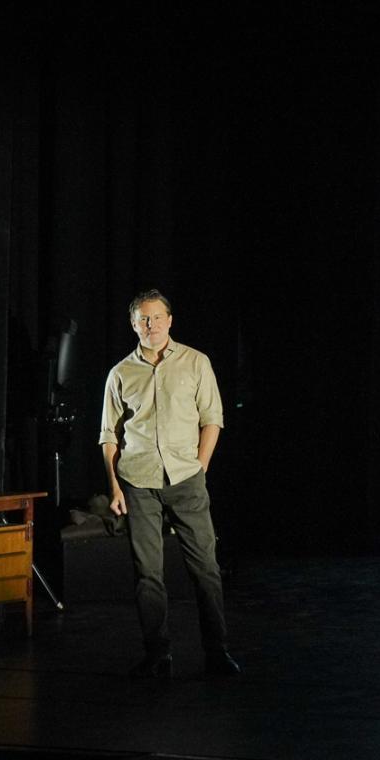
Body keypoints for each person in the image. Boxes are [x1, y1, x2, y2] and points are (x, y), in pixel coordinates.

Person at [99, 289, 238, 677]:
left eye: (158, 317)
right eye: (143, 319)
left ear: (170, 321)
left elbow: (213, 417)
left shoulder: (196, 362)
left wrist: (200, 466)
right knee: (148, 573)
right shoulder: (120, 373)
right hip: (138, 482)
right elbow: (109, 435)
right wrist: (114, 488)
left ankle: (217, 651)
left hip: (186, 478)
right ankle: (157, 653)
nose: (151, 325)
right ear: (133, 324)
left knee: (206, 568)